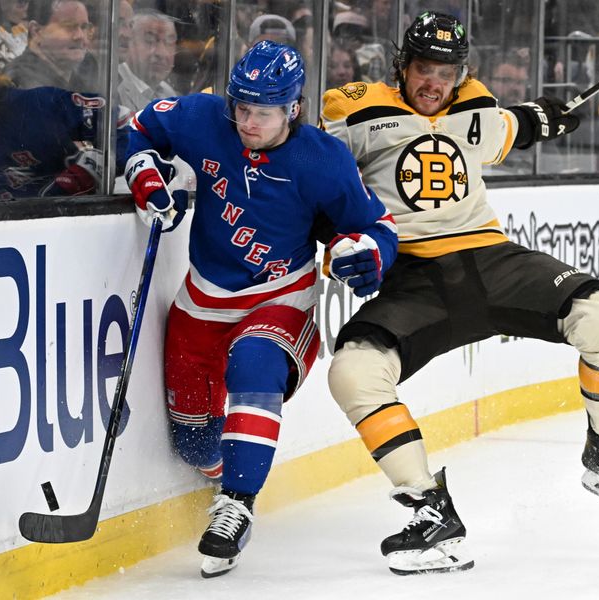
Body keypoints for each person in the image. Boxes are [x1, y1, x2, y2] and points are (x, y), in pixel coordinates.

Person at [322, 11, 599, 575]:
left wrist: (545, 118)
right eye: (424, 69)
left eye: (446, 72)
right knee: (352, 374)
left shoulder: (474, 105)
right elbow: (314, 177)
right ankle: (429, 511)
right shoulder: (353, 109)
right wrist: (339, 243)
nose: (434, 83)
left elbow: (516, 126)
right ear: (402, 66)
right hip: (414, 276)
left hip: (491, 260)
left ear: (461, 74)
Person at [124, 40, 398, 578]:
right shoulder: (204, 118)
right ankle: (230, 466)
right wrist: (143, 173)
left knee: (254, 365)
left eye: (263, 111)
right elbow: (138, 126)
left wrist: (367, 254)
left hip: (281, 298)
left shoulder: (322, 158)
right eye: (241, 107)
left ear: (292, 109)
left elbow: (376, 226)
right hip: (202, 300)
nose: (247, 121)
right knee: (193, 442)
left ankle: (237, 505)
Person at [117, 9, 179, 114]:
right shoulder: (113, 88)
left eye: (169, 42)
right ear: (128, 42)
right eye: (149, 41)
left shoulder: (168, 93)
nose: (161, 52)